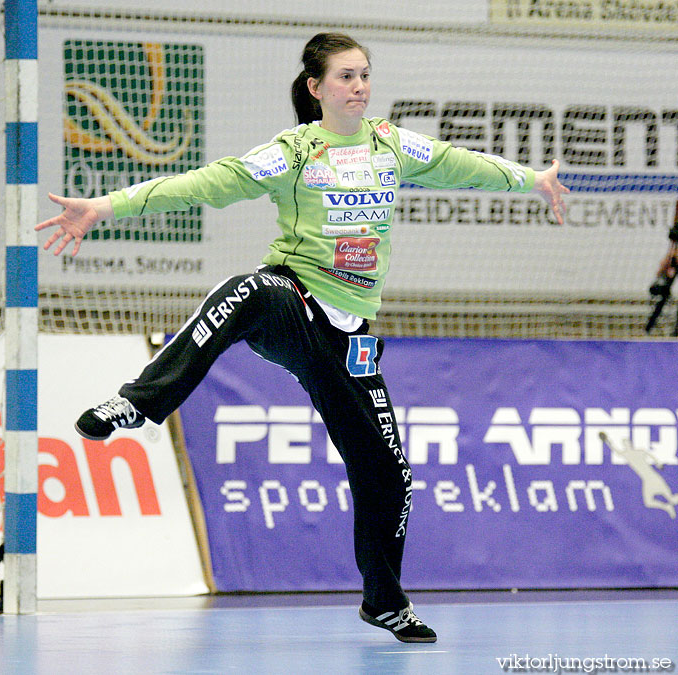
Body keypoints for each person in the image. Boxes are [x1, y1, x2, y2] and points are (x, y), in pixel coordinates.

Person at [35, 32, 569, 644]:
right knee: (246, 289)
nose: (359, 86)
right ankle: (140, 402)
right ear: (316, 88)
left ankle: (384, 601)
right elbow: (213, 181)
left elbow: (460, 164)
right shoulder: (294, 150)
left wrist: (532, 179)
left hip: (349, 341)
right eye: (345, 76)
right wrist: (107, 206)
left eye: (364, 75)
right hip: (293, 304)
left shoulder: (392, 144)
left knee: (390, 479)